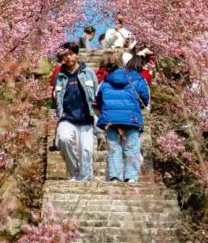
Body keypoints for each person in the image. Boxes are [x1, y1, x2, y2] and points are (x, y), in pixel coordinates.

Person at [95, 50, 150, 183]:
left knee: (114, 148)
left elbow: (98, 98)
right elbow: (145, 98)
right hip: (131, 118)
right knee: (132, 147)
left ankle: (115, 177)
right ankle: (131, 178)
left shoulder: (106, 80)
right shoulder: (137, 78)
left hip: (111, 118)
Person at [53, 41, 98, 181]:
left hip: (86, 118)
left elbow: (96, 92)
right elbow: (56, 97)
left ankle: (84, 179)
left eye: (71, 54)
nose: (68, 58)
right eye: (65, 55)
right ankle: (74, 172)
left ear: (77, 55)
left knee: (86, 151)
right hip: (67, 117)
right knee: (63, 139)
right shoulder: (59, 75)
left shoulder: (88, 72)